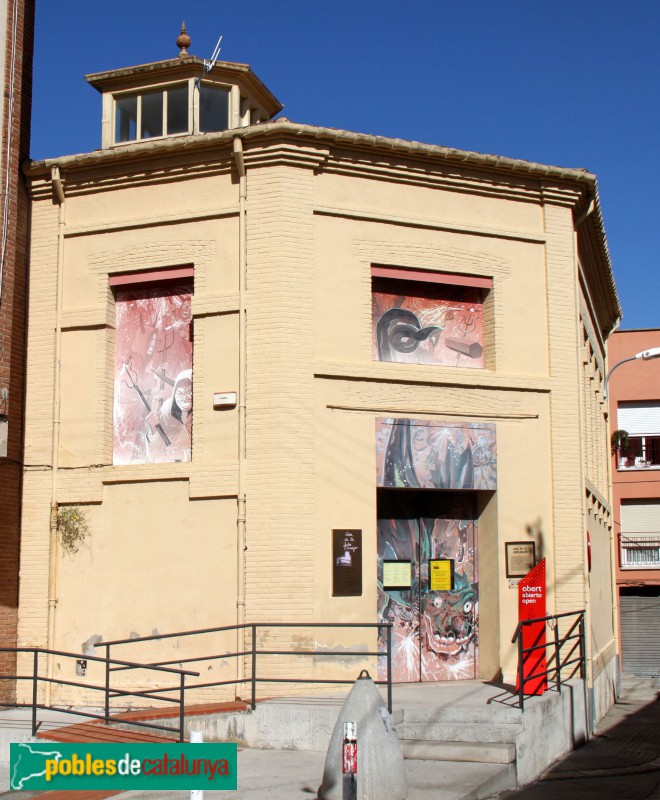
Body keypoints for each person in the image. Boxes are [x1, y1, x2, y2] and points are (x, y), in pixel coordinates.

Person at [146, 369, 192, 463]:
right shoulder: (168, 409)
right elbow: (153, 455)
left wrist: (184, 454)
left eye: (189, 393)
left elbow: (210, 452)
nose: (184, 398)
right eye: (180, 393)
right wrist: (153, 431)